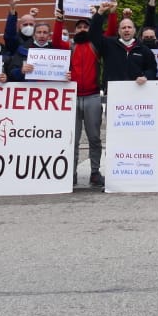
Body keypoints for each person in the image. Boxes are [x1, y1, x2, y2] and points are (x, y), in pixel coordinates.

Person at [66, 15, 104, 187]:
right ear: (75, 31)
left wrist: (109, 14)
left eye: (85, 27)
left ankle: (95, 172)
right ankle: (71, 173)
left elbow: (110, 31)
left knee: (94, 138)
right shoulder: (70, 48)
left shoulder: (95, 45)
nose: (82, 29)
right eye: (79, 27)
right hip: (72, 97)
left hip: (92, 96)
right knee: (72, 138)